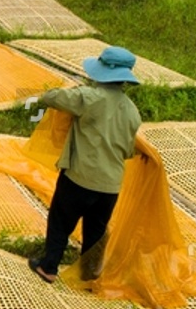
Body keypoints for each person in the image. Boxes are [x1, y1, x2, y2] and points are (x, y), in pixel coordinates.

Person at [27, 46, 143, 284]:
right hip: (110, 185)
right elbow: (129, 149)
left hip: (79, 178)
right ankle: (89, 275)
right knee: (96, 232)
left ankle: (48, 267)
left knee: (61, 221)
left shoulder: (88, 97)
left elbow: (51, 97)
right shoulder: (132, 111)